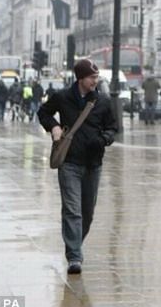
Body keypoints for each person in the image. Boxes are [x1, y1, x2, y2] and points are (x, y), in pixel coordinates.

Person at [37, 59, 117, 275]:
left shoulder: (103, 101)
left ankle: (74, 242)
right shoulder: (62, 97)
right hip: (69, 162)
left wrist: (104, 139)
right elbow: (43, 112)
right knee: (73, 210)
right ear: (81, 79)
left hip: (93, 164)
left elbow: (112, 128)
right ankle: (74, 256)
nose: (96, 81)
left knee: (87, 213)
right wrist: (53, 126)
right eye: (92, 77)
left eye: (97, 77)